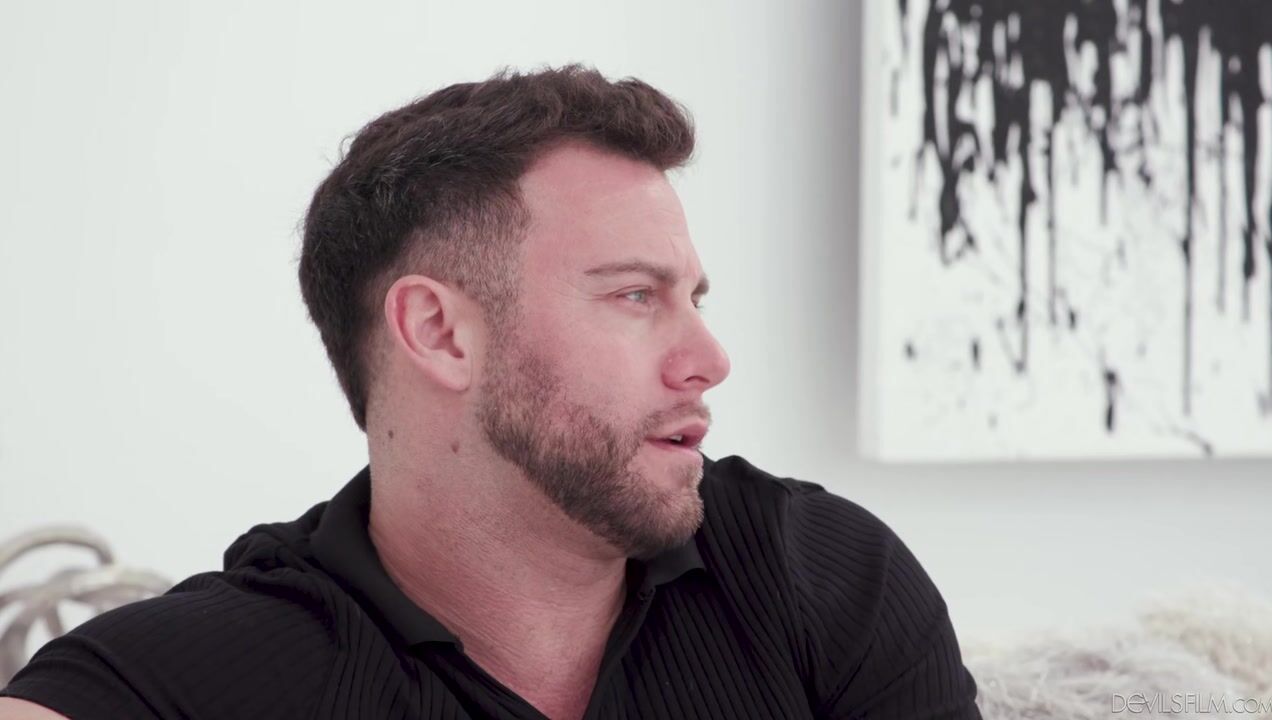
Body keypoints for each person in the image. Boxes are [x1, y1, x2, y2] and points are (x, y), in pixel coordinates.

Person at [0, 66, 981, 720]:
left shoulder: (819, 578)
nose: (707, 358)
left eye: (694, 298)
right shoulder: (204, 674)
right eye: (635, 296)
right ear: (438, 332)